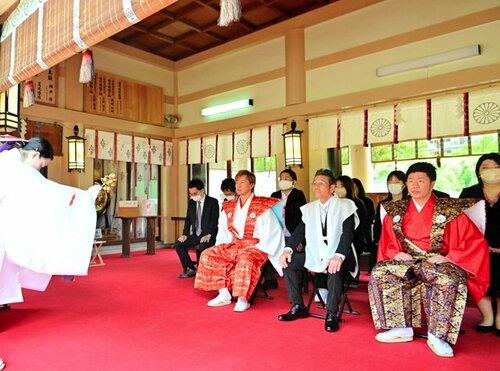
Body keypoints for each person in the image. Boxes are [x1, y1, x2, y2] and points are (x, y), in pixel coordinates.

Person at [369, 162, 490, 357]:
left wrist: (449, 257)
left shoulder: (448, 209)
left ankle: (437, 335)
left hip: (437, 261)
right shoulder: (397, 210)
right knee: (381, 272)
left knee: (448, 279)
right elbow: (388, 241)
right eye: (410, 181)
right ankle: (401, 327)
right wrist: (394, 253)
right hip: (407, 260)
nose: (414, 185)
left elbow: (473, 240)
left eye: (420, 181)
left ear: (432, 184)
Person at [0, 136, 99, 306]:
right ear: (34, 155)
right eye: (42, 165)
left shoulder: (9, 160)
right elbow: (48, 191)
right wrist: (85, 197)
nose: (39, 170)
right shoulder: (18, 169)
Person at [278, 168, 358, 332]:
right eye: (314, 183)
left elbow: (347, 234)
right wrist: (288, 249)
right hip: (316, 253)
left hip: (340, 255)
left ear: (332, 187)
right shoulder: (309, 208)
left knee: (334, 267)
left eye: (321, 183)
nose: (316, 186)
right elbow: (300, 231)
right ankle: (298, 305)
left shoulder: (346, 205)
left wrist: (339, 255)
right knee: (288, 262)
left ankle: (332, 313)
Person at [194, 170, 284, 312]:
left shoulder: (261, 206)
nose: (238, 185)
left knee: (244, 258)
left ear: (252, 184)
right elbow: (223, 232)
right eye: (237, 182)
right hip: (236, 244)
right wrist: (222, 247)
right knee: (208, 254)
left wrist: (263, 248)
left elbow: (273, 231)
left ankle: (243, 298)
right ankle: (223, 293)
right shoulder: (229, 207)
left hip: (256, 246)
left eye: (243, 182)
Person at [459, 153, 500, 335]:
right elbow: (459, 223)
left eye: (495, 167)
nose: (491, 171)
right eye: (485, 167)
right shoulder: (469, 193)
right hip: (476, 249)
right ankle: (487, 316)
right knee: (478, 279)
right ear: (478, 171)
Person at [264, 169, 307, 289]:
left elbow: (302, 219)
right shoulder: (275, 195)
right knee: (267, 250)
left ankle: (298, 283)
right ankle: (270, 280)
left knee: (293, 256)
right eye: (281, 178)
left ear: (294, 181)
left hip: (293, 234)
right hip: (277, 233)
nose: (283, 181)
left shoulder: (298, 194)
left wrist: (300, 241)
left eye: (287, 178)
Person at [174, 179, 219, 278]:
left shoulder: (213, 202)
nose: (193, 196)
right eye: (191, 194)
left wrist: (208, 234)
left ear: (202, 190)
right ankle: (192, 268)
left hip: (208, 235)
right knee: (178, 244)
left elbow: (214, 221)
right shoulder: (192, 203)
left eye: (195, 193)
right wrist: (184, 234)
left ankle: (204, 271)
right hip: (196, 235)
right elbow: (188, 220)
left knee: (203, 246)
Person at [371, 170, 408, 271]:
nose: (392, 185)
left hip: (403, 243)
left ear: (404, 184)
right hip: (385, 242)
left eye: (396, 182)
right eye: (390, 182)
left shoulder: (409, 203)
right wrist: (376, 241)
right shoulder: (383, 204)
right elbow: (378, 225)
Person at [352, 178, 375, 253]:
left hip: (364, 234)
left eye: (355, 187)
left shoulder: (367, 201)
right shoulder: (347, 203)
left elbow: (370, 218)